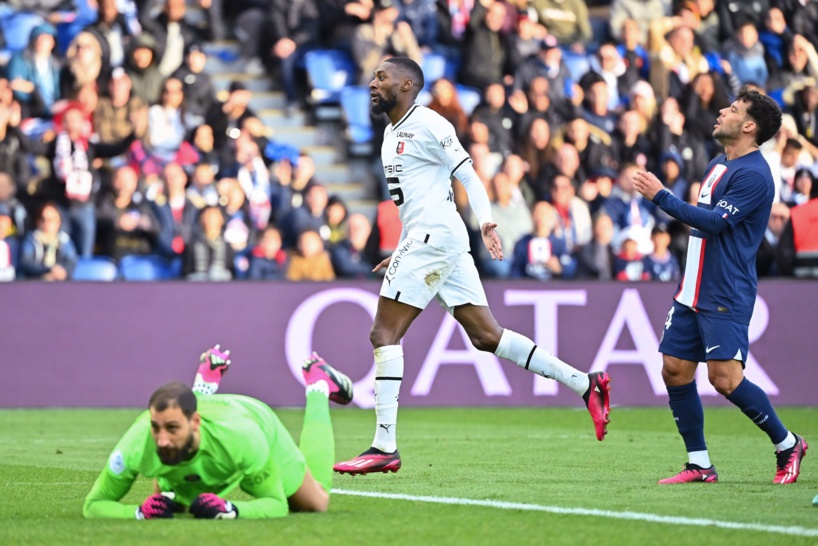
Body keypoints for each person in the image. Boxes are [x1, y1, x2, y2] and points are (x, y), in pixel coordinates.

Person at [333, 57, 611, 476]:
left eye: (381, 77)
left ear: (406, 85)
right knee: (487, 336)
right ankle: (585, 384)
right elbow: (420, 201)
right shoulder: (391, 133)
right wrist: (406, 247)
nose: (372, 83)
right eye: (373, 77)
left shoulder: (431, 124)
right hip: (432, 239)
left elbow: (468, 174)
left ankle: (384, 446)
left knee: (383, 333)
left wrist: (485, 222)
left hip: (437, 238)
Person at [632, 87, 808, 484]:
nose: (722, 112)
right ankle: (699, 464)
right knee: (675, 369)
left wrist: (661, 196)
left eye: (733, 109)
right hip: (692, 288)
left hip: (725, 291)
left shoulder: (755, 175)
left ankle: (787, 444)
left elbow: (714, 222)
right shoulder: (718, 163)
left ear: (748, 126)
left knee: (725, 379)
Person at [83, 345, 354, 519]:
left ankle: (318, 383)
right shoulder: (137, 443)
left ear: (195, 422)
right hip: (204, 422)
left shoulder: (243, 439)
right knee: (177, 502)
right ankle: (204, 384)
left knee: (314, 503)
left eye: (172, 428)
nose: (161, 440)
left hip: (254, 419)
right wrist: (137, 513)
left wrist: (232, 510)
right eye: (156, 428)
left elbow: (276, 504)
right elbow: (93, 504)